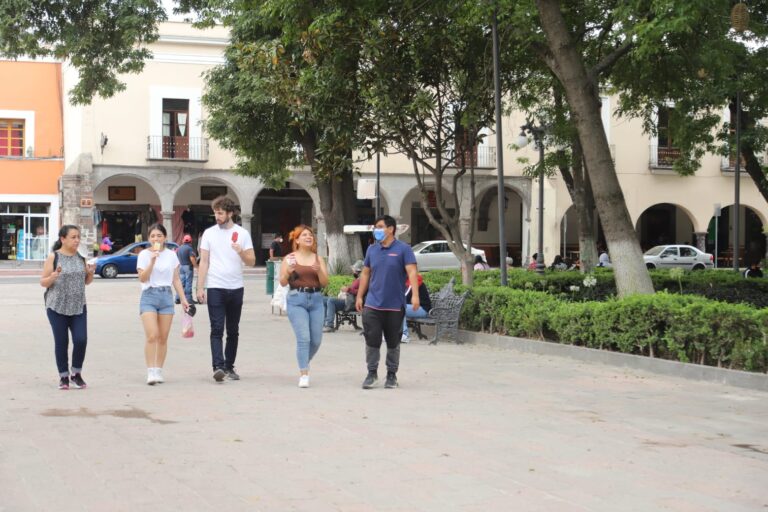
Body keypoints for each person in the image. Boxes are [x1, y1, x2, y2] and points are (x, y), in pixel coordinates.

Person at [196, 196, 256, 382]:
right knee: (216, 328)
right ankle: (218, 367)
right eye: (215, 212)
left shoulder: (242, 233)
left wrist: (240, 251)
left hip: (236, 287)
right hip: (215, 286)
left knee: (233, 329)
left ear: (230, 213)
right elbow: (204, 261)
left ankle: (230, 366)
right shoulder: (208, 233)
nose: (217, 216)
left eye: (220, 213)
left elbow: (252, 262)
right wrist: (200, 287)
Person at [356, 214, 419, 389]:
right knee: (372, 340)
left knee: (393, 342)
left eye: (380, 226)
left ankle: (392, 375)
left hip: (394, 306)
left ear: (391, 229)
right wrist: (360, 295)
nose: (377, 230)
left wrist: (415, 295)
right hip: (372, 305)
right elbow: (366, 274)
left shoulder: (403, 249)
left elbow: (412, 272)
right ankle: (371, 373)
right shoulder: (372, 250)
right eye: (375, 227)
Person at [40, 225, 96, 390]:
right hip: (56, 306)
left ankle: (76, 374)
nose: (77, 240)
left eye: (78, 237)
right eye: (73, 237)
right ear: (63, 239)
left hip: (78, 305)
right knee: (61, 342)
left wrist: (91, 272)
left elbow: (86, 281)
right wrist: (53, 276)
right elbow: (43, 282)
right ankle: (63, 376)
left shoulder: (81, 257)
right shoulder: (53, 257)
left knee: (81, 339)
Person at [137, 224, 189, 385]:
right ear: (148, 238)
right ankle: (150, 371)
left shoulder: (172, 256)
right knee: (152, 335)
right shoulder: (144, 255)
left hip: (166, 296)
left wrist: (184, 299)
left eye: (159, 235)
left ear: (165, 238)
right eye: (153, 236)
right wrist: (152, 262)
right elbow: (142, 278)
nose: (156, 239)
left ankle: (158, 370)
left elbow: (176, 279)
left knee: (163, 337)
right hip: (149, 296)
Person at [280, 225, 329, 388]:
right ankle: (304, 374)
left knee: (316, 340)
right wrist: (288, 271)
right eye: (305, 235)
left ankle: (303, 361)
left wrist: (319, 271)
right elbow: (282, 281)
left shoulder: (318, 258)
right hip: (296, 299)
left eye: (311, 235)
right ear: (297, 239)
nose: (309, 237)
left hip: (316, 300)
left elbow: (324, 283)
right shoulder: (289, 258)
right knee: (304, 338)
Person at [323, 260, 363, 333]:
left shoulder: (362, 280)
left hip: (351, 302)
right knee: (324, 300)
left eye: (354, 270)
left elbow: (361, 292)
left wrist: (348, 289)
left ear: (358, 271)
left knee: (331, 301)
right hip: (348, 299)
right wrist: (347, 289)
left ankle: (329, 325)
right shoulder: (358, 279)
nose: (353, 271)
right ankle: (324, 324)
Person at [400, 274, 432, 343]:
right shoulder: (406, 281)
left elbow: (405, 297)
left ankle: (404, 335)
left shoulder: (414, 281)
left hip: (423, 309)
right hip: (414, 308)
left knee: (400, 307)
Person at [175, 234, 198, 304]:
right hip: (188, 267)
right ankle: (189, 299)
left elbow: (176, 257)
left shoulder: (179, 248)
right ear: (190, 241)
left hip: (181, 267)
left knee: (181, 283)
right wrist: (196, 266)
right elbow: (192, 258)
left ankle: (178, 298)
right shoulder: (189, 248)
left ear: (183, 241)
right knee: (188, 283)